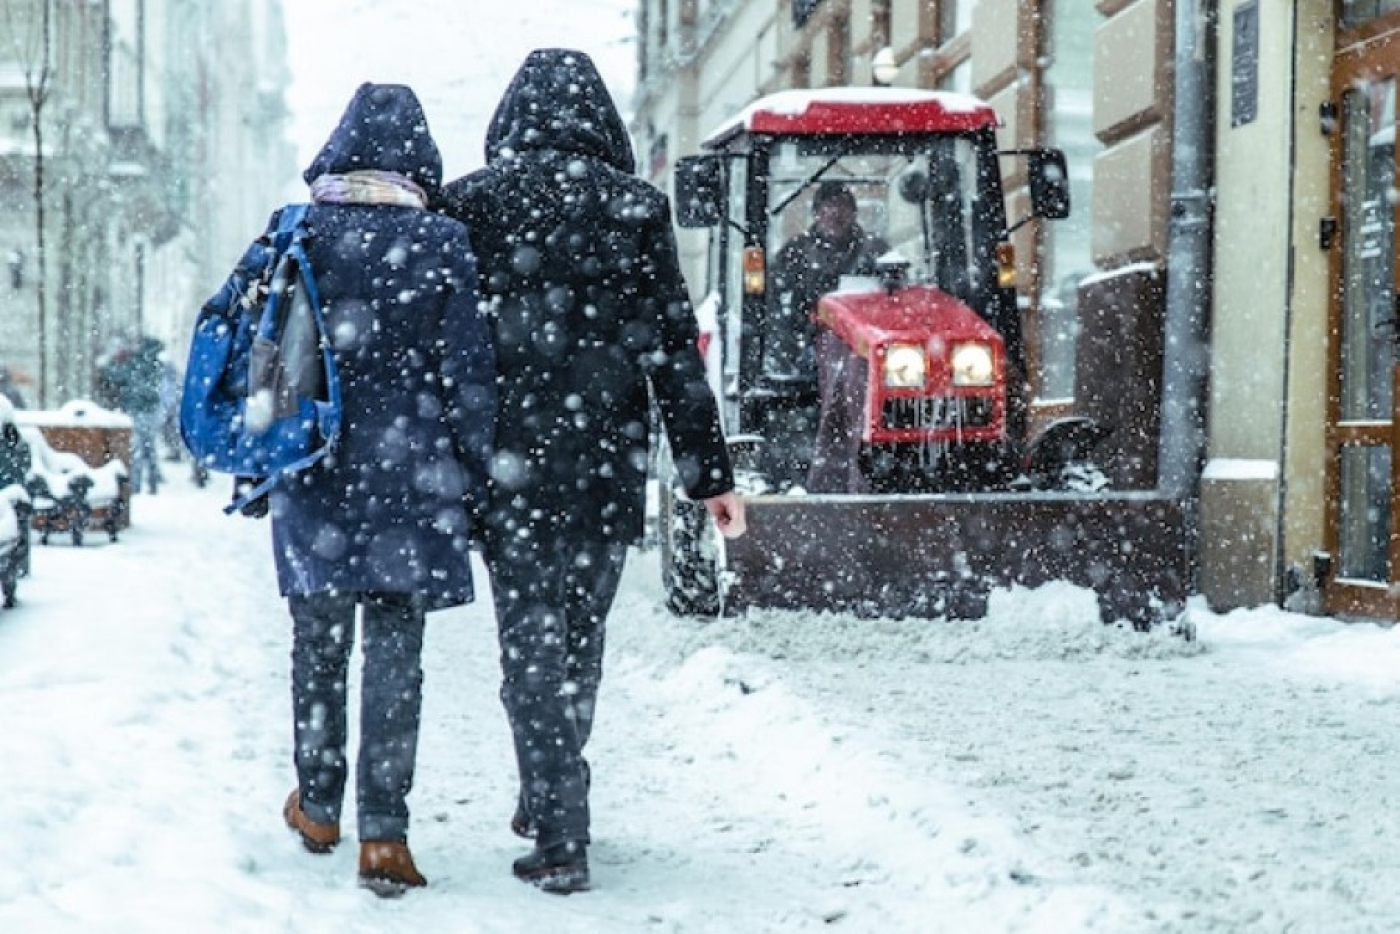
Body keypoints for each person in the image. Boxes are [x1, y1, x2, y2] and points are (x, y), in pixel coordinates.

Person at [439, 48, 745, 894]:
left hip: (507, 473)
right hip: (605, 468)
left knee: (528, 643)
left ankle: (555, 813)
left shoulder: (467, 205)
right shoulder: (636, 208)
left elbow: (447, 350)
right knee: (580, 638)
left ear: (510, 120)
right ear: (602, 120)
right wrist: (707, 473)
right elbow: (673, 352)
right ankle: (556, 791)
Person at [219, 83, 496, 897]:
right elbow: (469, 375)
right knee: (397, 656)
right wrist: (473, 470)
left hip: (316, 468)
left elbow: (263, 356)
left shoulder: (299, 231)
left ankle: (320, 802)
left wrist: (262, 459)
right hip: (414, 477)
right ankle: (385, 832)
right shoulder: (444, 241)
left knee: (319, 646)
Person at [760, 181, 889, 488]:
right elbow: (777, 313)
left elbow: (894, 304)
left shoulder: (877, 253)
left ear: (854, 213)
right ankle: (838, 469)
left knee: (859, 371)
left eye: (843, 206)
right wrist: (798, 343)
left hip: (868, 351)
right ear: (817, 213)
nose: (836, 213)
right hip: (810, 351)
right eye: (828, 206)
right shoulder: (794, 255)